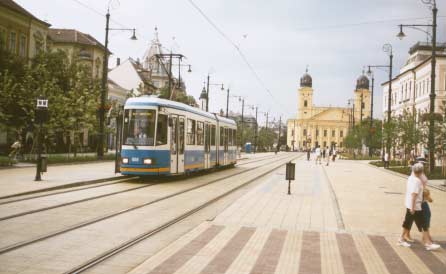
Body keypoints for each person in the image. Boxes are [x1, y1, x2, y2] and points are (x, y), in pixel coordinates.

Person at [398, 163, 440, 251]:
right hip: (415, 206)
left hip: (410, 204)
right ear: (421, 172)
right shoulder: (417, 181)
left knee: (407, 223)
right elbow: (414, 195)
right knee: (423, 224)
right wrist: (413, 208)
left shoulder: (410, 178)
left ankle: (401, 239)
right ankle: (428, 243)